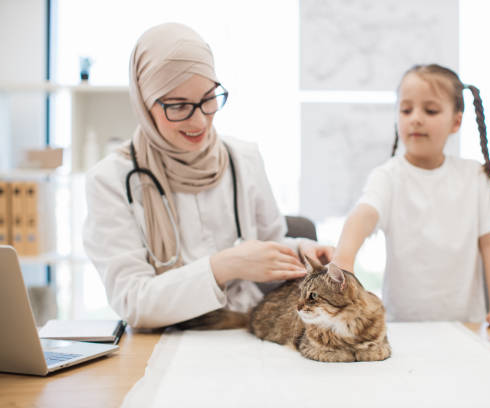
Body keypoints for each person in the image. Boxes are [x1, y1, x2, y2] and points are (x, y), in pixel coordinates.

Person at [83, 23, 332, 329]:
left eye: (208, 98)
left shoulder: (244, 159)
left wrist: (300, 250)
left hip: (245, 330)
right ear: (145, 104)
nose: (200, 120)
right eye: (178, 106)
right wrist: (223, 266)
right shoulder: (109, 180)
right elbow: (133, 301)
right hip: (164, 341)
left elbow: (269, 242)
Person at [332, 64, 490, 330]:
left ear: (456, 122)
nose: (416, 118)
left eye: (430, 110)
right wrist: (343, 261)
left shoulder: (474, 177)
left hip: (467, 327)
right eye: (406, 109)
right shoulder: (388, 176)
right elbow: (363, 215)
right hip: (404, 329)